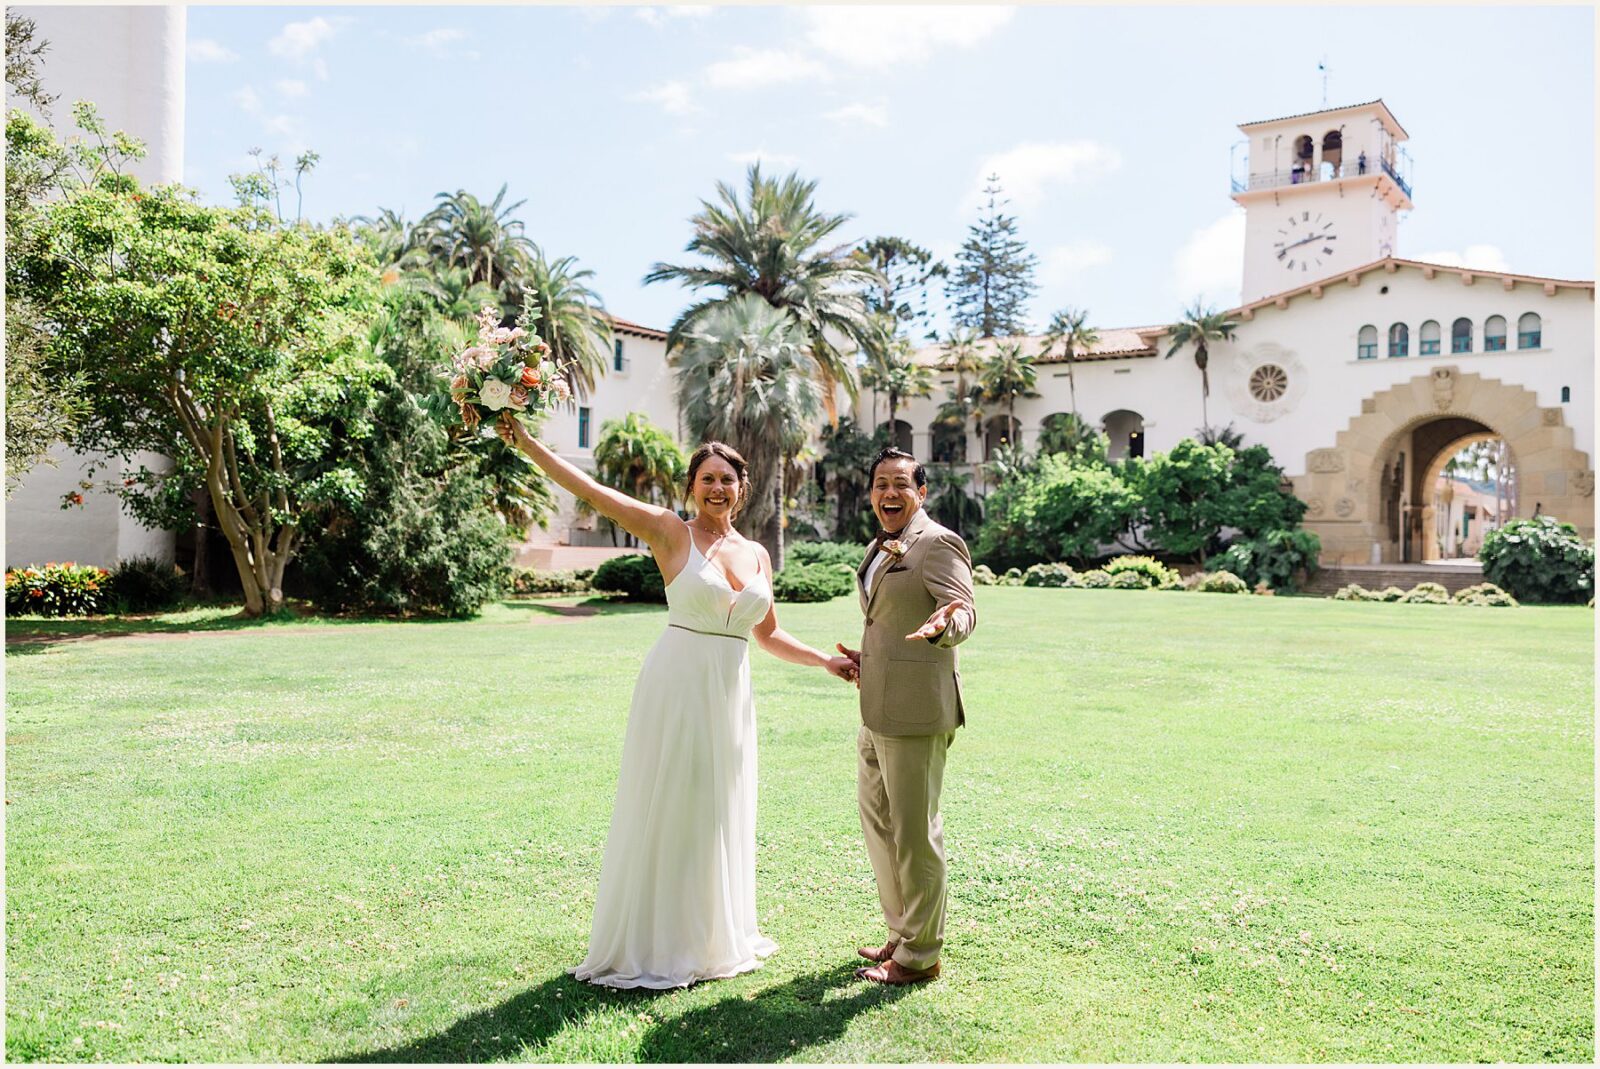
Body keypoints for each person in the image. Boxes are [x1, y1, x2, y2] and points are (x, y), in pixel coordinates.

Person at [495, 416, 858, 989]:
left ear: (743, 487)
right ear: (691, 486)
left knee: (717, 808)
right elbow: (592, 491)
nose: (717, 488)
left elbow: (767, 635)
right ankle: (660, 941)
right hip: (678, 684)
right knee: (673, 804)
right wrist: (528, 442)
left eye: (727, 479)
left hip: (730, 694)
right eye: (706, 478)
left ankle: (711, 935)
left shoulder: (758, 554)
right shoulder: (670, 532)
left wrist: (824, 661)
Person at [835, 447, 976, 985]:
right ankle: (901, 931)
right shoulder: (879, 545)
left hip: (917, 712)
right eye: (880, 484)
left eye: (900, 484)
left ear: (921, 492)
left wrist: (945, 626)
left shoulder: (938, 543)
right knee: (880, 826)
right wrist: (870, 658)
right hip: (876, 709)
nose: (889, 493)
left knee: (915, 835)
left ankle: (921, 955)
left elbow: (962, 609)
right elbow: (887, 620)